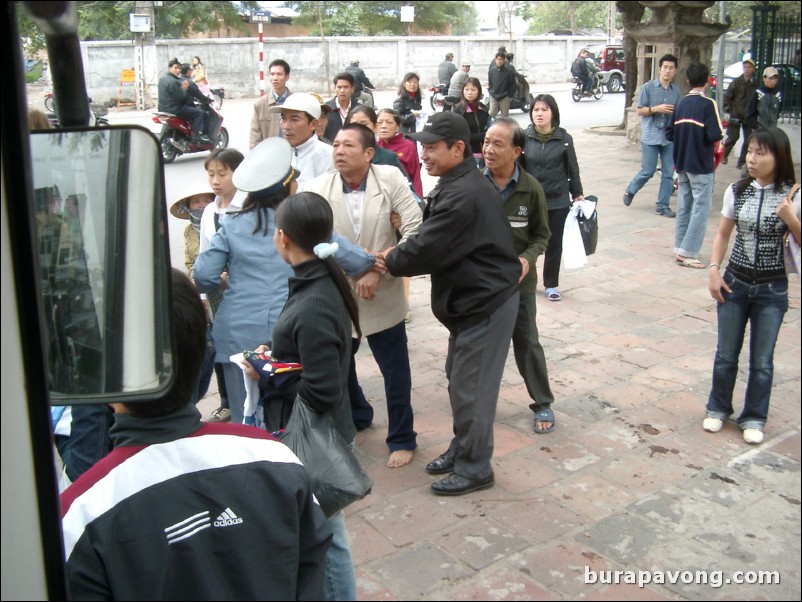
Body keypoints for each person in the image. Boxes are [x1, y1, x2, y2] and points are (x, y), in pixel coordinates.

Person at [60, 269, 332, 600]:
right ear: (204, 360)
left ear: (105, 376)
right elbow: (313, 570)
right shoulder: (276, 458)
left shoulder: (80, 514)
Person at [382, 112, 521, 495]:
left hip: (486, 303)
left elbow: (427, 246)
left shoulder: (463, 193)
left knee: (471, 387)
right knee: (459, 380)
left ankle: (476, 467)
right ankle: (464, 447)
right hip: (469, 303)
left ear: (458, 149)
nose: (423, 154)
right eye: (421, 147)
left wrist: (387, 260)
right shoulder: (455, 182)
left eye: (431, 147)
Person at [194, 139, 376, 425]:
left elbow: (203, 276)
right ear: (288, 186)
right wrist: (376, 259)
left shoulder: (230, 223)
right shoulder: (300, 222)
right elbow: (355, 261)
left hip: (237, 331)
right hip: (290, 331)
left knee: (247, 414)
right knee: (292, 415)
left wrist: (224, 281)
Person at [301, 124, 422, 468]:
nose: (338, 150)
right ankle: (357, 415)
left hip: (382, 291)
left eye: (348, 145)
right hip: (338, 293)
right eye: (335, 144)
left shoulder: (391, 179)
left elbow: (414, 230)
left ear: (369, 153)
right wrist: (354, 270)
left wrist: (376, 268)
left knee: (395, 371)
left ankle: (402, 437)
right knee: (340, 367)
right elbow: (310, 238)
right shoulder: (317, 188)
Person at [268, 192, 365, 601]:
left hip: (314, 436)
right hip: (322, 428)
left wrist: (273, 374)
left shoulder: (314, 300)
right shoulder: (319, 280)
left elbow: (322, 389)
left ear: (284, 238)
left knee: (327, 535)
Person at [704, 127, 800, 445]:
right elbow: (722, 234)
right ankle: (718, 407)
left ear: (779, 156)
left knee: (761, 360)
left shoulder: (792, 196)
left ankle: (754, 416)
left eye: (761, 153)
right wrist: (715, 270)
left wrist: (792, 219)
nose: (753, 158)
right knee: (726, 354)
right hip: (735, 282)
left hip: (772, 289)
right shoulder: (737, 190)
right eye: (750, 152)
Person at [482, 118, 556, 434]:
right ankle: (474, 400)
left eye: (498, 144)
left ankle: (542, 403)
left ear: (516, 151)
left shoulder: (531, 189)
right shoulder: (474, 185)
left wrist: (527, 260)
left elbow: (542, 235)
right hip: (482, 285)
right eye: (486, 141)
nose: (488, 149)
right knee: (477, 345)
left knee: (527, 343)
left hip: (519, 286)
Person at [199, 148, 247, 423]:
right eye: (211, 174)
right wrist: (210, 289)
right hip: (219, 291)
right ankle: (232, 401)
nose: (216, 180)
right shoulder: (209, 211)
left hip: (244, 288)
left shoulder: (248, 206)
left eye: (222, 174)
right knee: (224, 347)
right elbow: (205, 255)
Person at [523, 94, 585, 303]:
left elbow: (572, 169)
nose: (539, 114)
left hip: (557, 199)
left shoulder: (564, 139)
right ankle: (524, 280)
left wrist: (577, 194)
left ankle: (551, 284)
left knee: (553, 244)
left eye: (544, 110)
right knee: (527, 242)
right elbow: (519, 169)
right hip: (531, 200)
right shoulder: (524, 138)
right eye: (536, 110)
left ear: (553, 113)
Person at [666, 63, 724, 269]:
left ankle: (680, 246)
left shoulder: (680, 104)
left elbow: (669, 133)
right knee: (700, 208)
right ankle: (688, 252)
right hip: (701, 164)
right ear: (707, 80)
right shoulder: (709, 105)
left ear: (688, 80)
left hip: (681, 162)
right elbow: (715, 134)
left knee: (684, 206)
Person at [622, 53, 681, 217]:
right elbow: (639, 111)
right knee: (648, 170)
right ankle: (631, 189)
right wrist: (657, 109)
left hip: (669, 137)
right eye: (665, 68)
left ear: (675, 71)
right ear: (659, 69)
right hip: (651, 136)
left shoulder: (676, 92)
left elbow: (679, 113)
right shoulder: (648, 88)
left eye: (671, 68)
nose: (667, 71)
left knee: (669, 173)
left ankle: (662, 206)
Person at [268, 92, 334, 182]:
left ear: (313, 124)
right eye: (283, 118)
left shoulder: (330, 157)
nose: (286, 126)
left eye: (294, 119)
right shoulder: (273, 156)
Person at [345, 106, 413, 190]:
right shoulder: (343, 157)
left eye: (364, 124)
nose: (359, 128)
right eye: (354, 125)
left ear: (375, 126)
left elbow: (407, 190)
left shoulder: (389, 158)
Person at [158, 57, 209, 143]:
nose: (177, 70)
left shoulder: (162, 80)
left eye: (179, 68)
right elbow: (180, 98)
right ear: (169, 68)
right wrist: (184, 89)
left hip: (162, 108)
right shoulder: (174, 81)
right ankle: (196, 136)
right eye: (175, 68)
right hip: (174, 109)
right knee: (198, 113)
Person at [377, 108, 423, 198]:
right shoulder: (373, 147)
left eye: (389, 123)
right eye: (380, 122)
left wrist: (419, 200)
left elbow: (415, 176)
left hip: (402, 196)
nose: (383, 126)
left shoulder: (408, 146)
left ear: (397, 127)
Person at [722, 58, 758, 169]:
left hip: (748, 116)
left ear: (753, 69)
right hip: (736, 114)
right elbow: (727, 97)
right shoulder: (737, 82)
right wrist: (729, 111)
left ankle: (742, 161)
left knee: (748, 139)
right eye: (745, 67)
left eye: (749, 67)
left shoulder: (755, 84)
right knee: (733, 137)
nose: (747, 69)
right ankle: (724, 155)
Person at [249, 58, 292, 149]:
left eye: (279, 74)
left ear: (287, 77)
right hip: (269, 156)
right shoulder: (260, 105)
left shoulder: (296, 101)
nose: (275, 78)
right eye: (272, 74)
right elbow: (254, 137)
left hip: (292, 155)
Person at [452, 76, 491, 167]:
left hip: (486, 154)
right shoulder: (459, 111)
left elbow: (490, 128)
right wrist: (486, 135)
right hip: (467, 156)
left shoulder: (483, 109)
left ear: (479, 91)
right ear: (462, 91)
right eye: (466, 89)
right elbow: (464, 136)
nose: (469, 93)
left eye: (473, 90)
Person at [324, 72, 360, 142]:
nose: (342, 91)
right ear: (334, 88)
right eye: (339, 87)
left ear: (352, 89)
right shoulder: (326, 109)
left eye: (346, 87)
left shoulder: (359, 110)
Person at [745, 66, 782, 132]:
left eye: (775, 78)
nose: (773, 81)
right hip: (759, 130)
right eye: (770, 78)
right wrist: (755, 126)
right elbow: (749, 112)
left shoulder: (778, 94)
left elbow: (779, 110)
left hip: (773, 130)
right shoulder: (758, 93)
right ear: (764, 78)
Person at [487, 52, 517, 118]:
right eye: (497, 59)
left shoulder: (509, 71)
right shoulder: (491, 71)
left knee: (504, 116)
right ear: (495, 60)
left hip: (504, 96)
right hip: (494, 95)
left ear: (504, 60)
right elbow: (490, 82)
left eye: (501, 59)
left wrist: (509, 95)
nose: (499, 61)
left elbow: (513, 84)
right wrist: (490, 90)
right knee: (491, 113)